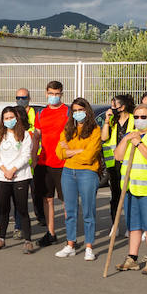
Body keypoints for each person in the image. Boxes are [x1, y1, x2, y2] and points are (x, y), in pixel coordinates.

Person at [112, 103, 147, 274]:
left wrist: (139, 143)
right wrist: (127, 139)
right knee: (133, 226)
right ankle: (131, 258)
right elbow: (118, 156)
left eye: (143, 117)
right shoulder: (129, 135)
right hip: (130, 189)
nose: (139, 120)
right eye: (136, 117)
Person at [0, 88, 41, 238]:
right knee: (2, 206)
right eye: (7, 118)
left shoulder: (25, 133)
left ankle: (23, 234)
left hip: (21, 174)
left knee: (21, 207)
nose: (10, 120)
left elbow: (26, 154)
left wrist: (13, 170)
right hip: (3, 175)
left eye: (12, 117)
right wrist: (5, 170)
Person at [54, 97, 103, 261]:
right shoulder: (68, 129)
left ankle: (89, 246)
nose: (77, 113)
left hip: (87, 173)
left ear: (87, 111)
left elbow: (89, 157)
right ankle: (70, 244)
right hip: (68, 172)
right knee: (70, 211)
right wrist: (78, 150)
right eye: (74, 111)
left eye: (80, 110)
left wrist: (71, 151)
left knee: (89, 211)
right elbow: (59, 153)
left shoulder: (95, 130)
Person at [33, 80, 69, 246]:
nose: (53, 96)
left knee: (66, 200)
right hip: (44, 163)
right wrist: (33, 159)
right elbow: (36, 137)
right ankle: (51, 233)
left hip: (63, 163)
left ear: (61, 94)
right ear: (46, 93)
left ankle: (71, 235)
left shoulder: (68, 111)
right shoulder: (40, 113)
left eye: (57, 94)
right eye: (51, 94)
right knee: (47, 199)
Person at [100, 94, 134, 225]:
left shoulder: (133, 119)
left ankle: (131, 225)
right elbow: (104, 138)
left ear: (123, 106)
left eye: (114, 105)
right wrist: (107, 121)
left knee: (129, 194)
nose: (111, 107)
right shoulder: (112, 120)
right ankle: (115, 224)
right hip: (113, 163)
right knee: (115, 195)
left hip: (129, 161)